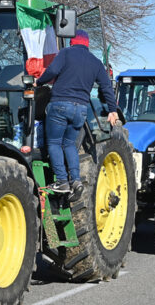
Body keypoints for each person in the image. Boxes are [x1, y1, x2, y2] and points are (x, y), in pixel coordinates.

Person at [36, 30, 118, 201]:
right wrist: (112, 110)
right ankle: (76, 181)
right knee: (70, 145)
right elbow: (106, 87)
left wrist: (39, 82)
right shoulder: (95, 63)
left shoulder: (65, 53)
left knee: (54, 142)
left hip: (59, 105)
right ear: (87, 44)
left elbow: (52, 70)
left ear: (72, 42)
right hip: (81, 109)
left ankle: (61, 181)